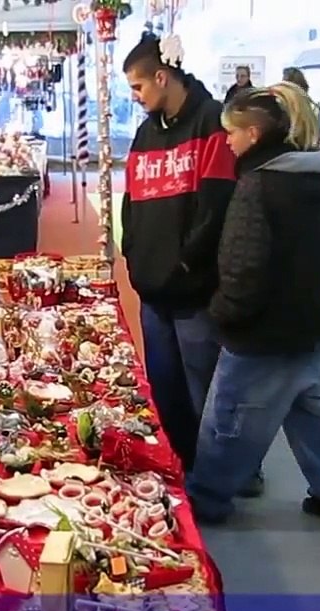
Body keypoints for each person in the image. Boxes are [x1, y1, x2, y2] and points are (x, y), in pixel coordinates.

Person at [186, 82, 320, 525]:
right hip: (307, 324)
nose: (227, 141)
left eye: (232, 132)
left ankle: (206, 501)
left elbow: (242, 266)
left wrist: (224, 314)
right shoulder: (315, 179)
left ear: (253, 134)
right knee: (313, 419)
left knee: (226, 422)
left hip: (260, 335)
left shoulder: (256, 186)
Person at [120, 34, 236, 473]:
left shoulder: (211, 122)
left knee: (204, 388)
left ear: (162, 77)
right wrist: (132, 253)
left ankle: (219, 476)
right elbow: (132, 200)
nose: (136, 96)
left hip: (193, 292)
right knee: (165, 387)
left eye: (139, 86)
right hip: (152, 290)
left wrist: (188, 261)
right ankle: (181, 465)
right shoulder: (145, 133)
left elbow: (216, 205)